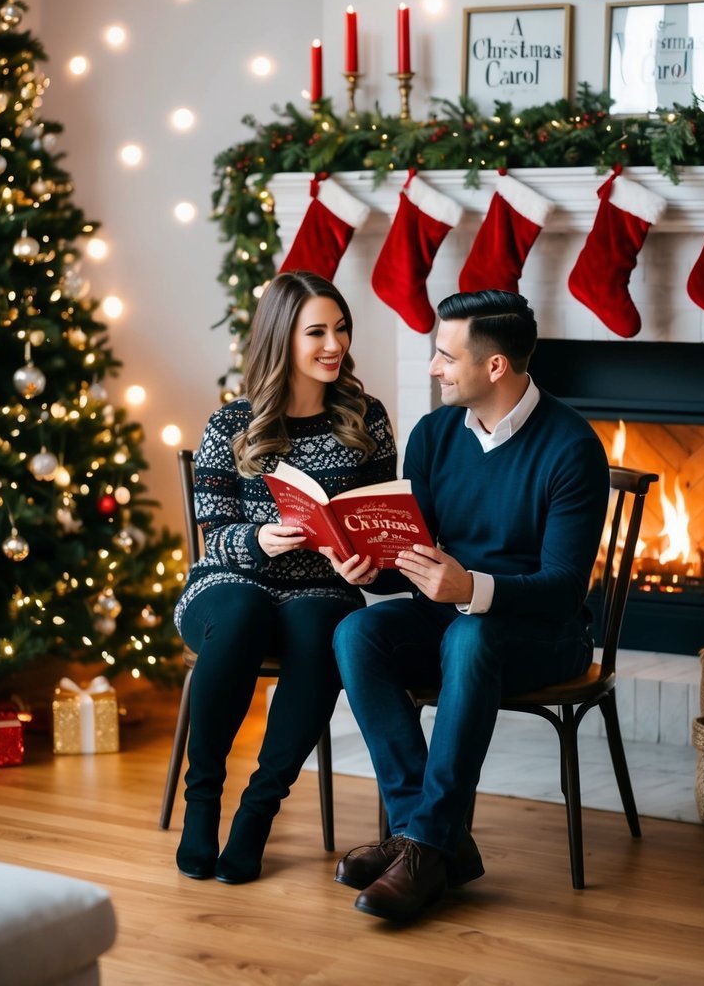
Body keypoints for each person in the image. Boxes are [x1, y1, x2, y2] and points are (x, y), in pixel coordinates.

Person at [327, 289, 611, 921]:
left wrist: (472, 590)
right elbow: (414, 563)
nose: (433, 367)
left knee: (469, 637)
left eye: (445, 356)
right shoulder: (432, 437)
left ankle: (424, 847)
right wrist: (370, 569)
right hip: (452, 615)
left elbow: (565, 587)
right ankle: (425, 840)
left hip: (546, 631)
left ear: (494, 367)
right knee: (356, 633)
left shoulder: (571, 447)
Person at [173, 270, 397, 884]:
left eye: (341, 329)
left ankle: (257, 813)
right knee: (245, 613)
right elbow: (212, 533)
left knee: (323, 624)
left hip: (322, 584)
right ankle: (202, 802)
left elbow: (380, 525)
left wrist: (367, 562)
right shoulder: (232, 424)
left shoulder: (366, 418)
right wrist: (260, 538)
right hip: (231, 580)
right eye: (317, 331)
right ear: (282, 337)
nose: (335, 344)